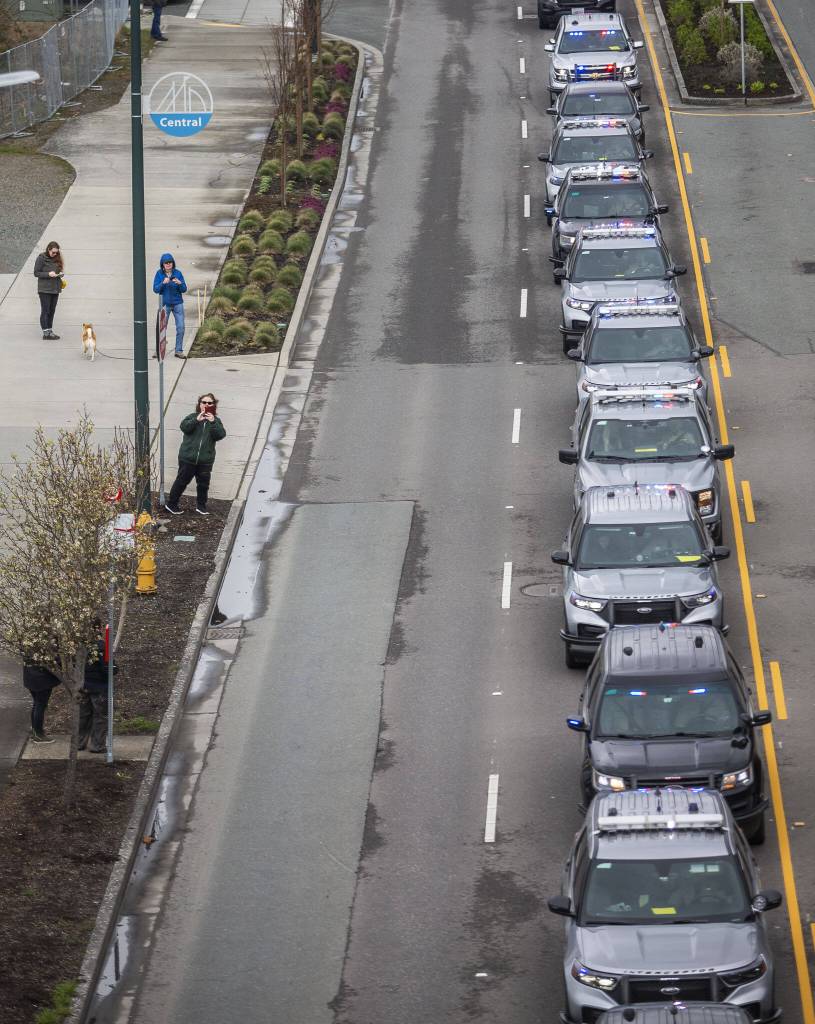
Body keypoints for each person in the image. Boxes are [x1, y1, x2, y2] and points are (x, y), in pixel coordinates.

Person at [165, 394, 226, 517]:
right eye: (204, 402)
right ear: (199, 404)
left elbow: (220, 435)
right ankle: (171, 504)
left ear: (214, 405)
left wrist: (213, 422)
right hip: (188, 458)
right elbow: (184, 427)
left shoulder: (216, 421)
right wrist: (196, 420)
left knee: (203, 484)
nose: (206, 405)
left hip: (205, 460)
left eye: (210, 403)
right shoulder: (192, 417)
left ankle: (201, 506)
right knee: (182, 481)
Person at [78, 632, 117, 754]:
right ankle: (97, 745)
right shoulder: (101, 647)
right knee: (100, 716)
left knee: (83, 715)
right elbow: (109, 668)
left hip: (83, 686)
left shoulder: (78, 645)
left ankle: (79, 742)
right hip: (100, 688)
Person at [152, 253, 187, 357]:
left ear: (173, 263)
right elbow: (155, 289)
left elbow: (184, 289)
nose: (168, 264)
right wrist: (163, 283)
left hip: (178, 304)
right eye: (166, 263)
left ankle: (178, 350)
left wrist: (180, 283)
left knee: (181, 327)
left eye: (170, 262)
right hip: (165, 305)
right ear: (162, 264)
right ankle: (158, 350)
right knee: (162, 328)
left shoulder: (178, 273)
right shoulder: (159, 274)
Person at [22, 662, 61, 744]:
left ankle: (35, 730)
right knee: (40, 705)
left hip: (31, 677)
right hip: (42, 679)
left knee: (37, 703)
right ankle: (38, 734)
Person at [33, 240, 64, 340]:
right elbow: (36, 273)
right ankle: (45, 333)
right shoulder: (41, 258)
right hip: (45, 290)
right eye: (53, 252)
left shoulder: (57, 258)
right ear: (48, 249)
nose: (55, 254)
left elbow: (58, 271)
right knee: (45, 310)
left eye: (56, 252)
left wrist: (60, 274)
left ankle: (50, 330)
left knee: (52, 310)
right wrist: (48, 274)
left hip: (55, 289)